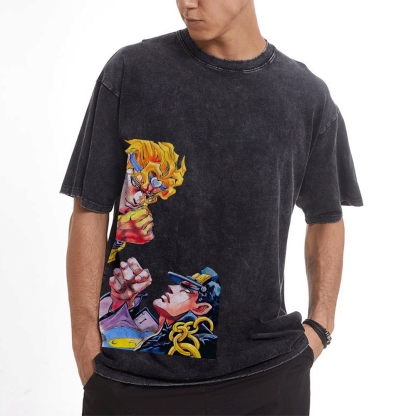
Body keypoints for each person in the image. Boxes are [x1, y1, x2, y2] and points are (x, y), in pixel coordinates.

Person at [59, 0, 363, 414]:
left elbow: (327, 217)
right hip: (133, 377)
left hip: (267, 376)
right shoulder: (133, 72)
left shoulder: (306, 96)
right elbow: (90, 208)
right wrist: (84, 345)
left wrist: (321, 326)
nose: (188, 3)